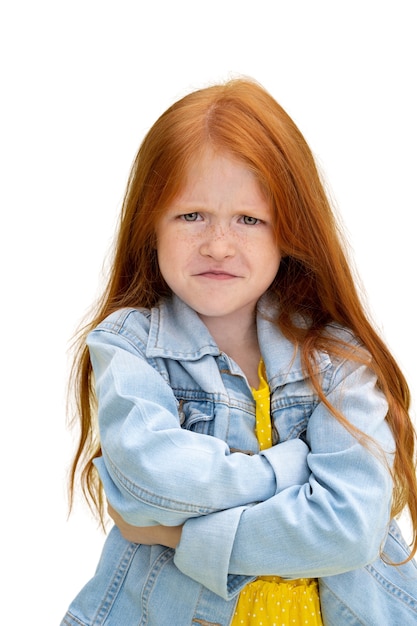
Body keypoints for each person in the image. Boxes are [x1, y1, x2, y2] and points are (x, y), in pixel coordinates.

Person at [60, 78, 417, 626]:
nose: (219, 245)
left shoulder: (336, 357)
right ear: (149, 225)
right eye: (191, 215)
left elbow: (351, 528)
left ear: (290, 231)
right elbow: (149, 481)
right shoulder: (128, 345)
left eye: (248, 220)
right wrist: (291, 470)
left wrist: (179, 533)